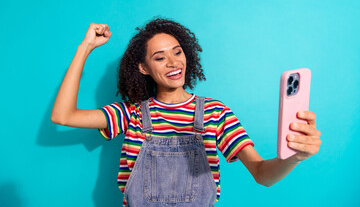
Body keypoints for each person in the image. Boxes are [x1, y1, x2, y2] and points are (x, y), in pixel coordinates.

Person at [51, 18, 322, 207]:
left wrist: (294, 157)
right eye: (159, 57)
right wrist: (84, 48)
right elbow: (63, 116)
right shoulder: (131, 114)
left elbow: (263, 175)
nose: (173, 62)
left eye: (177, 52)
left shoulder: (216, 113)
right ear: (144, 68)